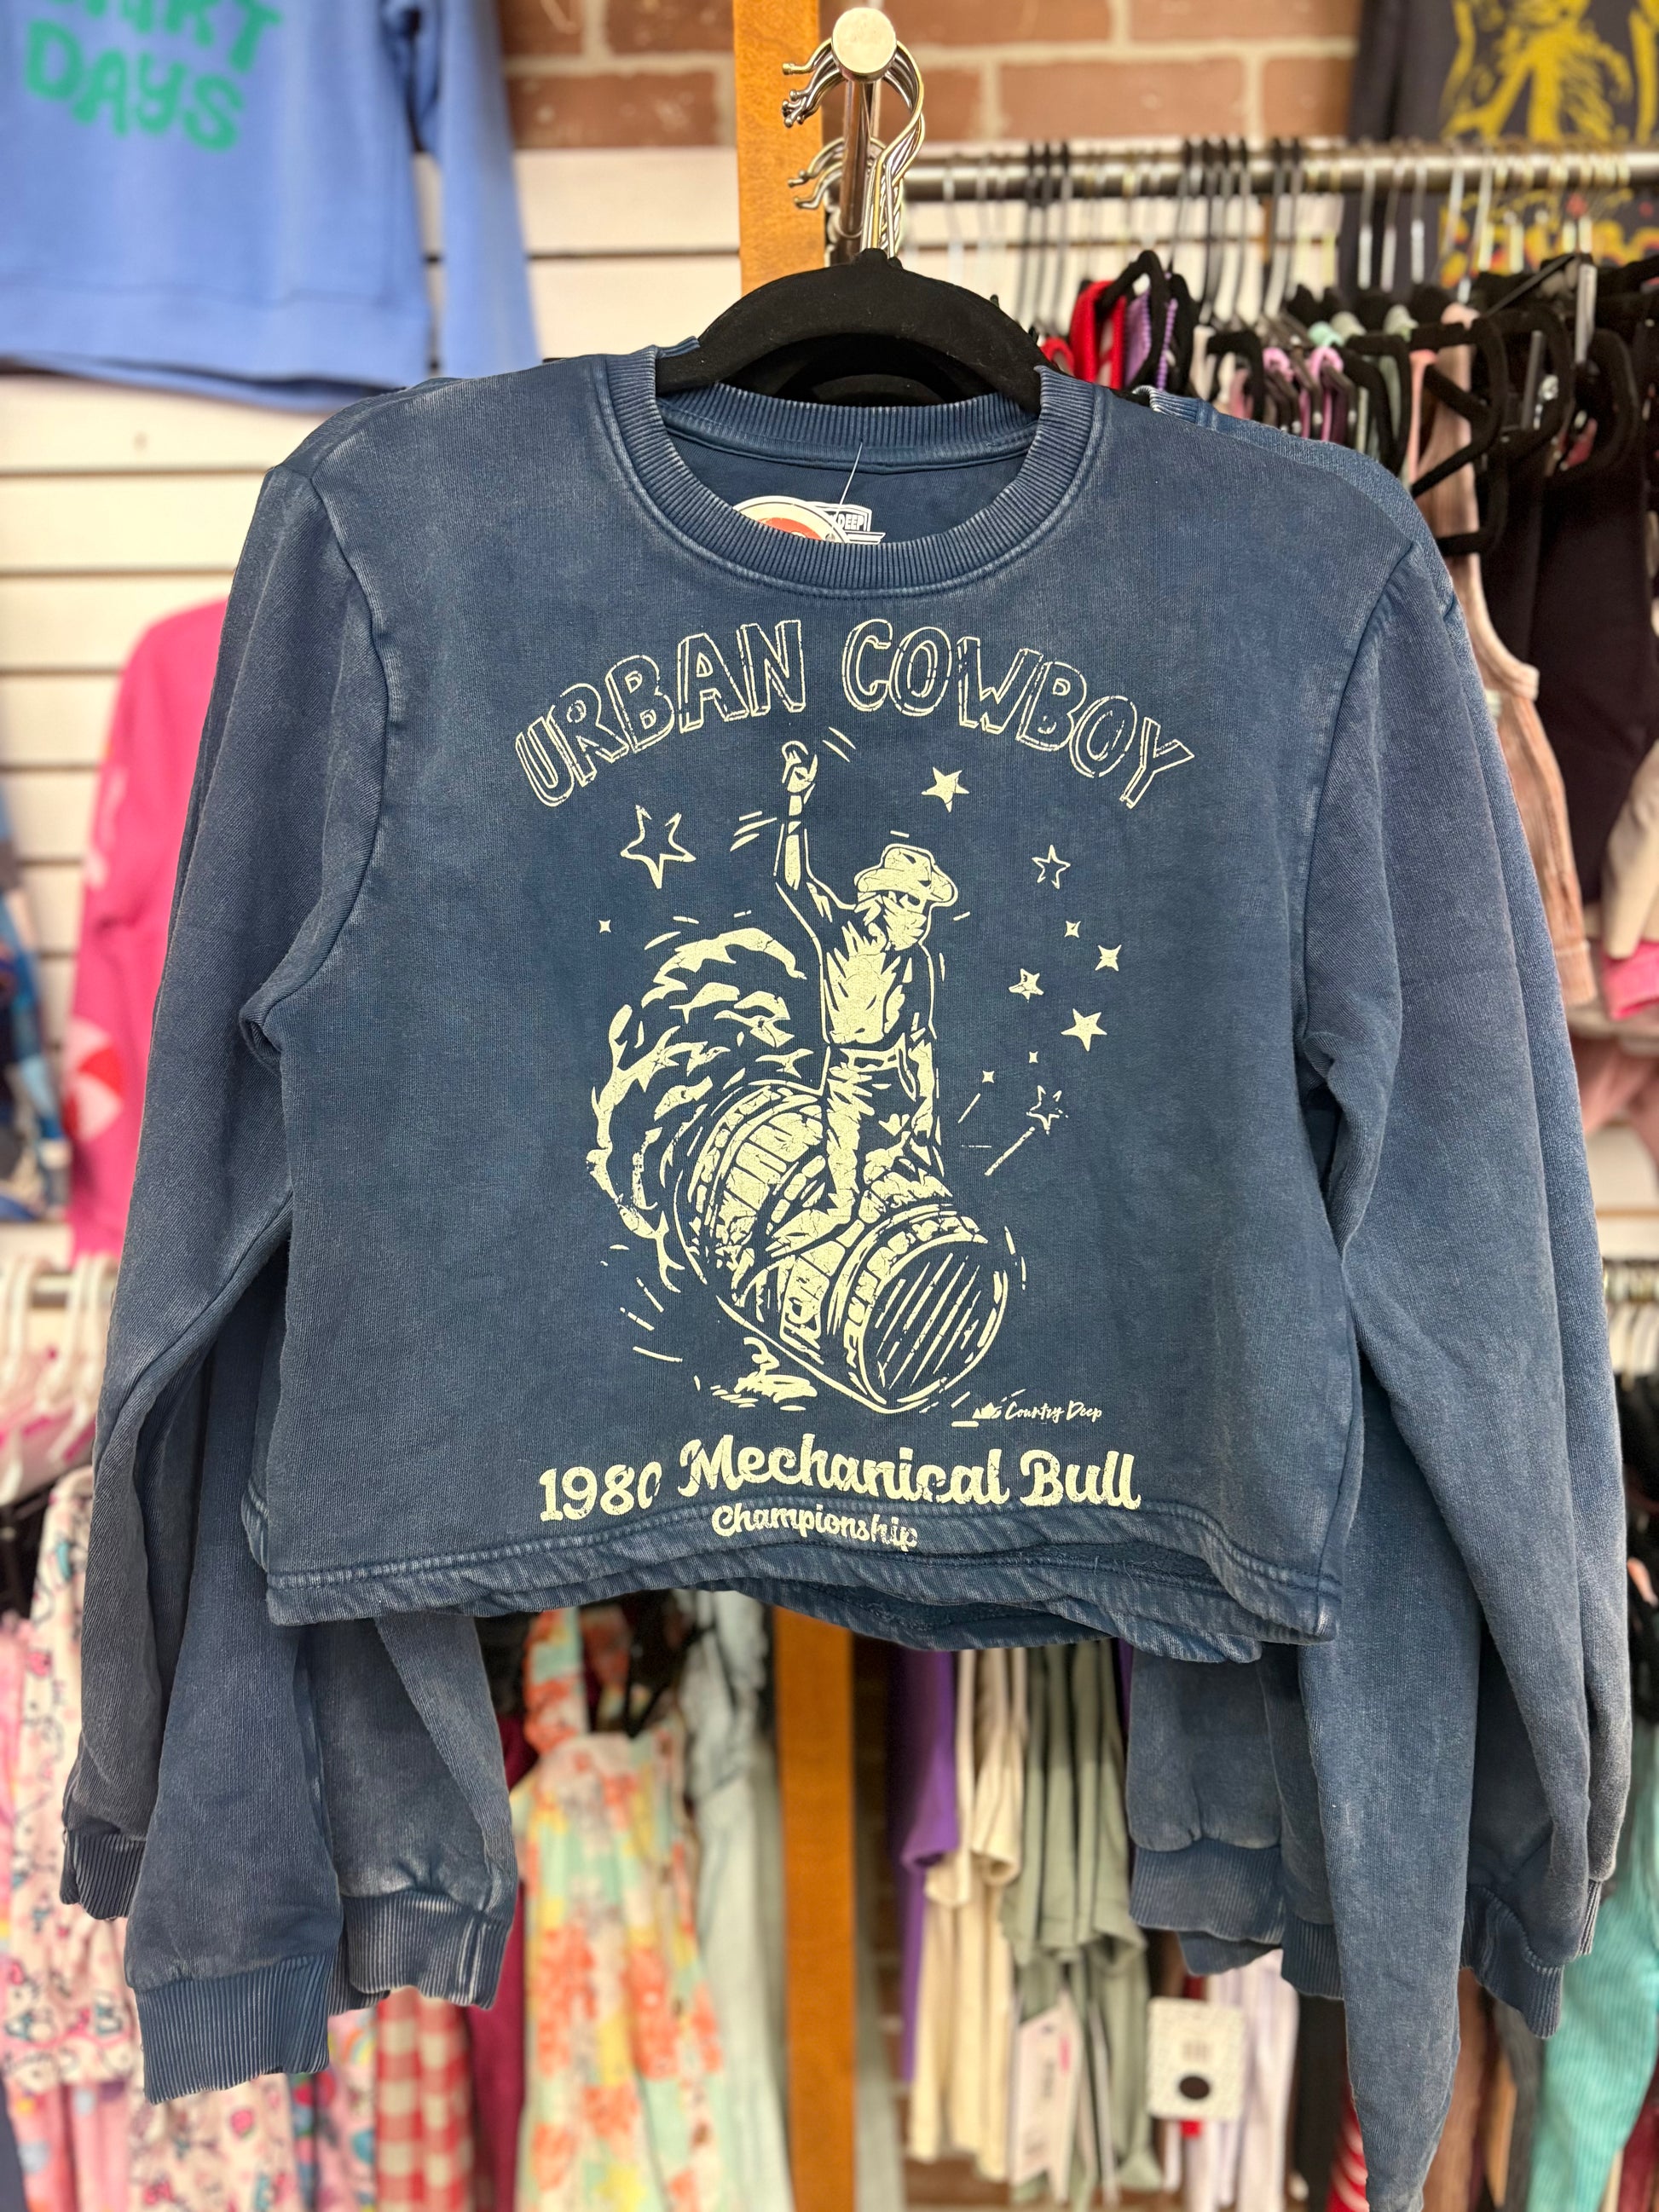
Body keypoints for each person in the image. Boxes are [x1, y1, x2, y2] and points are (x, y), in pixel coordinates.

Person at [754, 741, 957, 1279]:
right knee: (840, 1205)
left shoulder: (920, 962)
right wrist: (795, 804)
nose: (921, 917)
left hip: (898, 1082)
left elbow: (921, 1039)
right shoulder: (842, 931)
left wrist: (926, 1110)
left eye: (927, 906)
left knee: (916, 1181)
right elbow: (792, 883)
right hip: (848, 1082)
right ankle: (758, 1264)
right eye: (912, 902)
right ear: (885, 899)